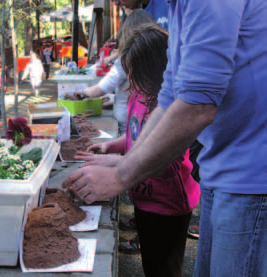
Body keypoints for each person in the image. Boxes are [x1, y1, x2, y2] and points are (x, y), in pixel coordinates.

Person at [63, 1, 267, 276]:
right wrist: (123, 162)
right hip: (222, 165)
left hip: (252, 173)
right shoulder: (178, 8)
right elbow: (171, 97)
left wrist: (121, 173)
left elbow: (196, 106)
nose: (116, 2)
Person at [74, 23, 200, 276]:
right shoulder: (138, 96)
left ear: (155, 70)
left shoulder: (169, 110)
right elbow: (134, 136)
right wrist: (114, 146)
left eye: (135, 74)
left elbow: (166, 164)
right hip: (144, 198)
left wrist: (119, 165)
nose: (130, 81)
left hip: (169, 206)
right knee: (151, 263)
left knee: (163, 267)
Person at [76, 10, 155, 137]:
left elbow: (101, 89)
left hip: (128, 122)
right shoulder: (154, 58)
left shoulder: (126, 61)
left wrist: (83, 92)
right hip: (147, 120)